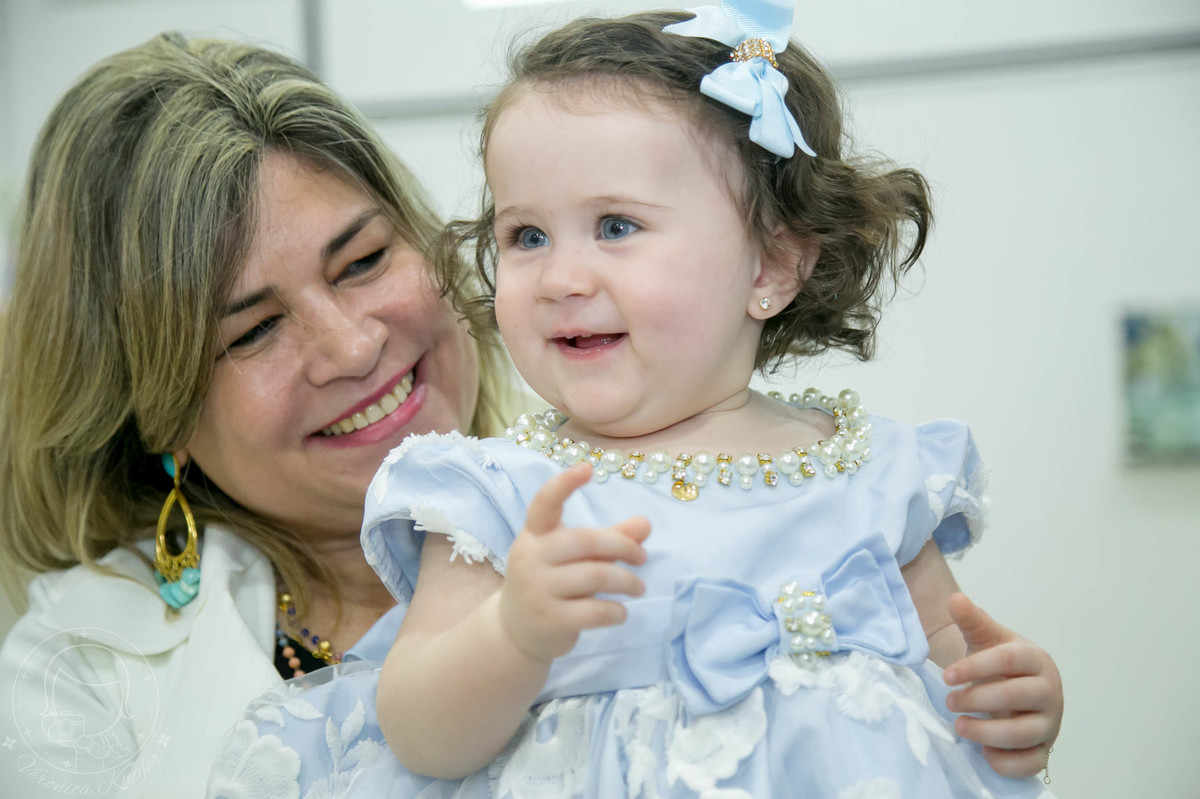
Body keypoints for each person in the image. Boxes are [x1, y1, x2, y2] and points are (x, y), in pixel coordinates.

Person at [207, 2, 1063, 797]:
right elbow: (419, 733)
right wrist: (513, 635)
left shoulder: (870, 471)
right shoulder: (499, 493)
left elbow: (949, 670)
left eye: (616, 226)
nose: (561, 278)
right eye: (527, 235)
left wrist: (1016, 701)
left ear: (772, 264)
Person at [0, 33, 514, 797]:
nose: (351, 347)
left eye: (363, 261)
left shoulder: (642, 484)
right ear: (158, 414)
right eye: (254, 330)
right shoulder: (74, 677)